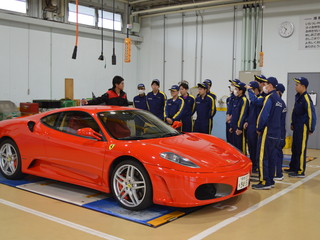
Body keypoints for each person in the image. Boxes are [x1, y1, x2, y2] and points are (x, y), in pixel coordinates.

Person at [252, 77, 283, 190]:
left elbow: (264, 115)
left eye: (265, 84)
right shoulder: (279, 100)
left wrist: (259, 127)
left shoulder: (269, 98)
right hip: (277, 132)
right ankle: (270, 180)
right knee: (271, 158)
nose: (264, 86)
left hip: (268, 131)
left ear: (270, 85)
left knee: (262, 157)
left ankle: (264, 181)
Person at [286, 77, 316, 178]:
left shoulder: (306, 98)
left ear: (303, 86)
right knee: (294, 148)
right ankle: (293, 167)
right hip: (297, 126)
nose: (295, 87)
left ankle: (300, 171)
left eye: (297, 85)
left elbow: (311, 114)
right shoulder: (298, 97)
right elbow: (294, 111)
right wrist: (292, 123)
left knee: (300, 149)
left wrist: (311, 128)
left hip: (303, 127)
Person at [244, 81, 263, 173]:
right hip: (250, 126)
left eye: (251, 90)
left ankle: (256, 165)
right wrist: (247, 121)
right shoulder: (252, 101)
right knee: (250, 146)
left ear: (256, 90)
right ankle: (252, 163)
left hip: (256, 127)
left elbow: (256, 102)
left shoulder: (260, 99)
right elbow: (250, 113)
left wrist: (249, 91)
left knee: (256, 147)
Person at [229, 82, 249, 153]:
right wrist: (231, 125)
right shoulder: (236, 99)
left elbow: (242, 115)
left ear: (241, 91)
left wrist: (239, 128)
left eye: (236, 89)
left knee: (240, 147)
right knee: (234, 147)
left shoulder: (244, 100)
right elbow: (234, 114)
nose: (235, 90)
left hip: (239, 128)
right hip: (234, 126)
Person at [274, 83, 287, 181]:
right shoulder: (281, 103)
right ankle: (278, 172)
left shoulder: (279, 104)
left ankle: (278, 173)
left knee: (277, 153)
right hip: (280, 131)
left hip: (279, 131)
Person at [226, 79, 240, 145]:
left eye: (233, 85)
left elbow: (236, 111)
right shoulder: (230, 98)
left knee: (234, 142)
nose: (231, 86)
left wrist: (230, 118)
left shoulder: (238, 99)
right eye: (231, 85)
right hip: (229, 121)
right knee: (229, 140)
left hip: (234, 122)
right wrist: (228, 117)